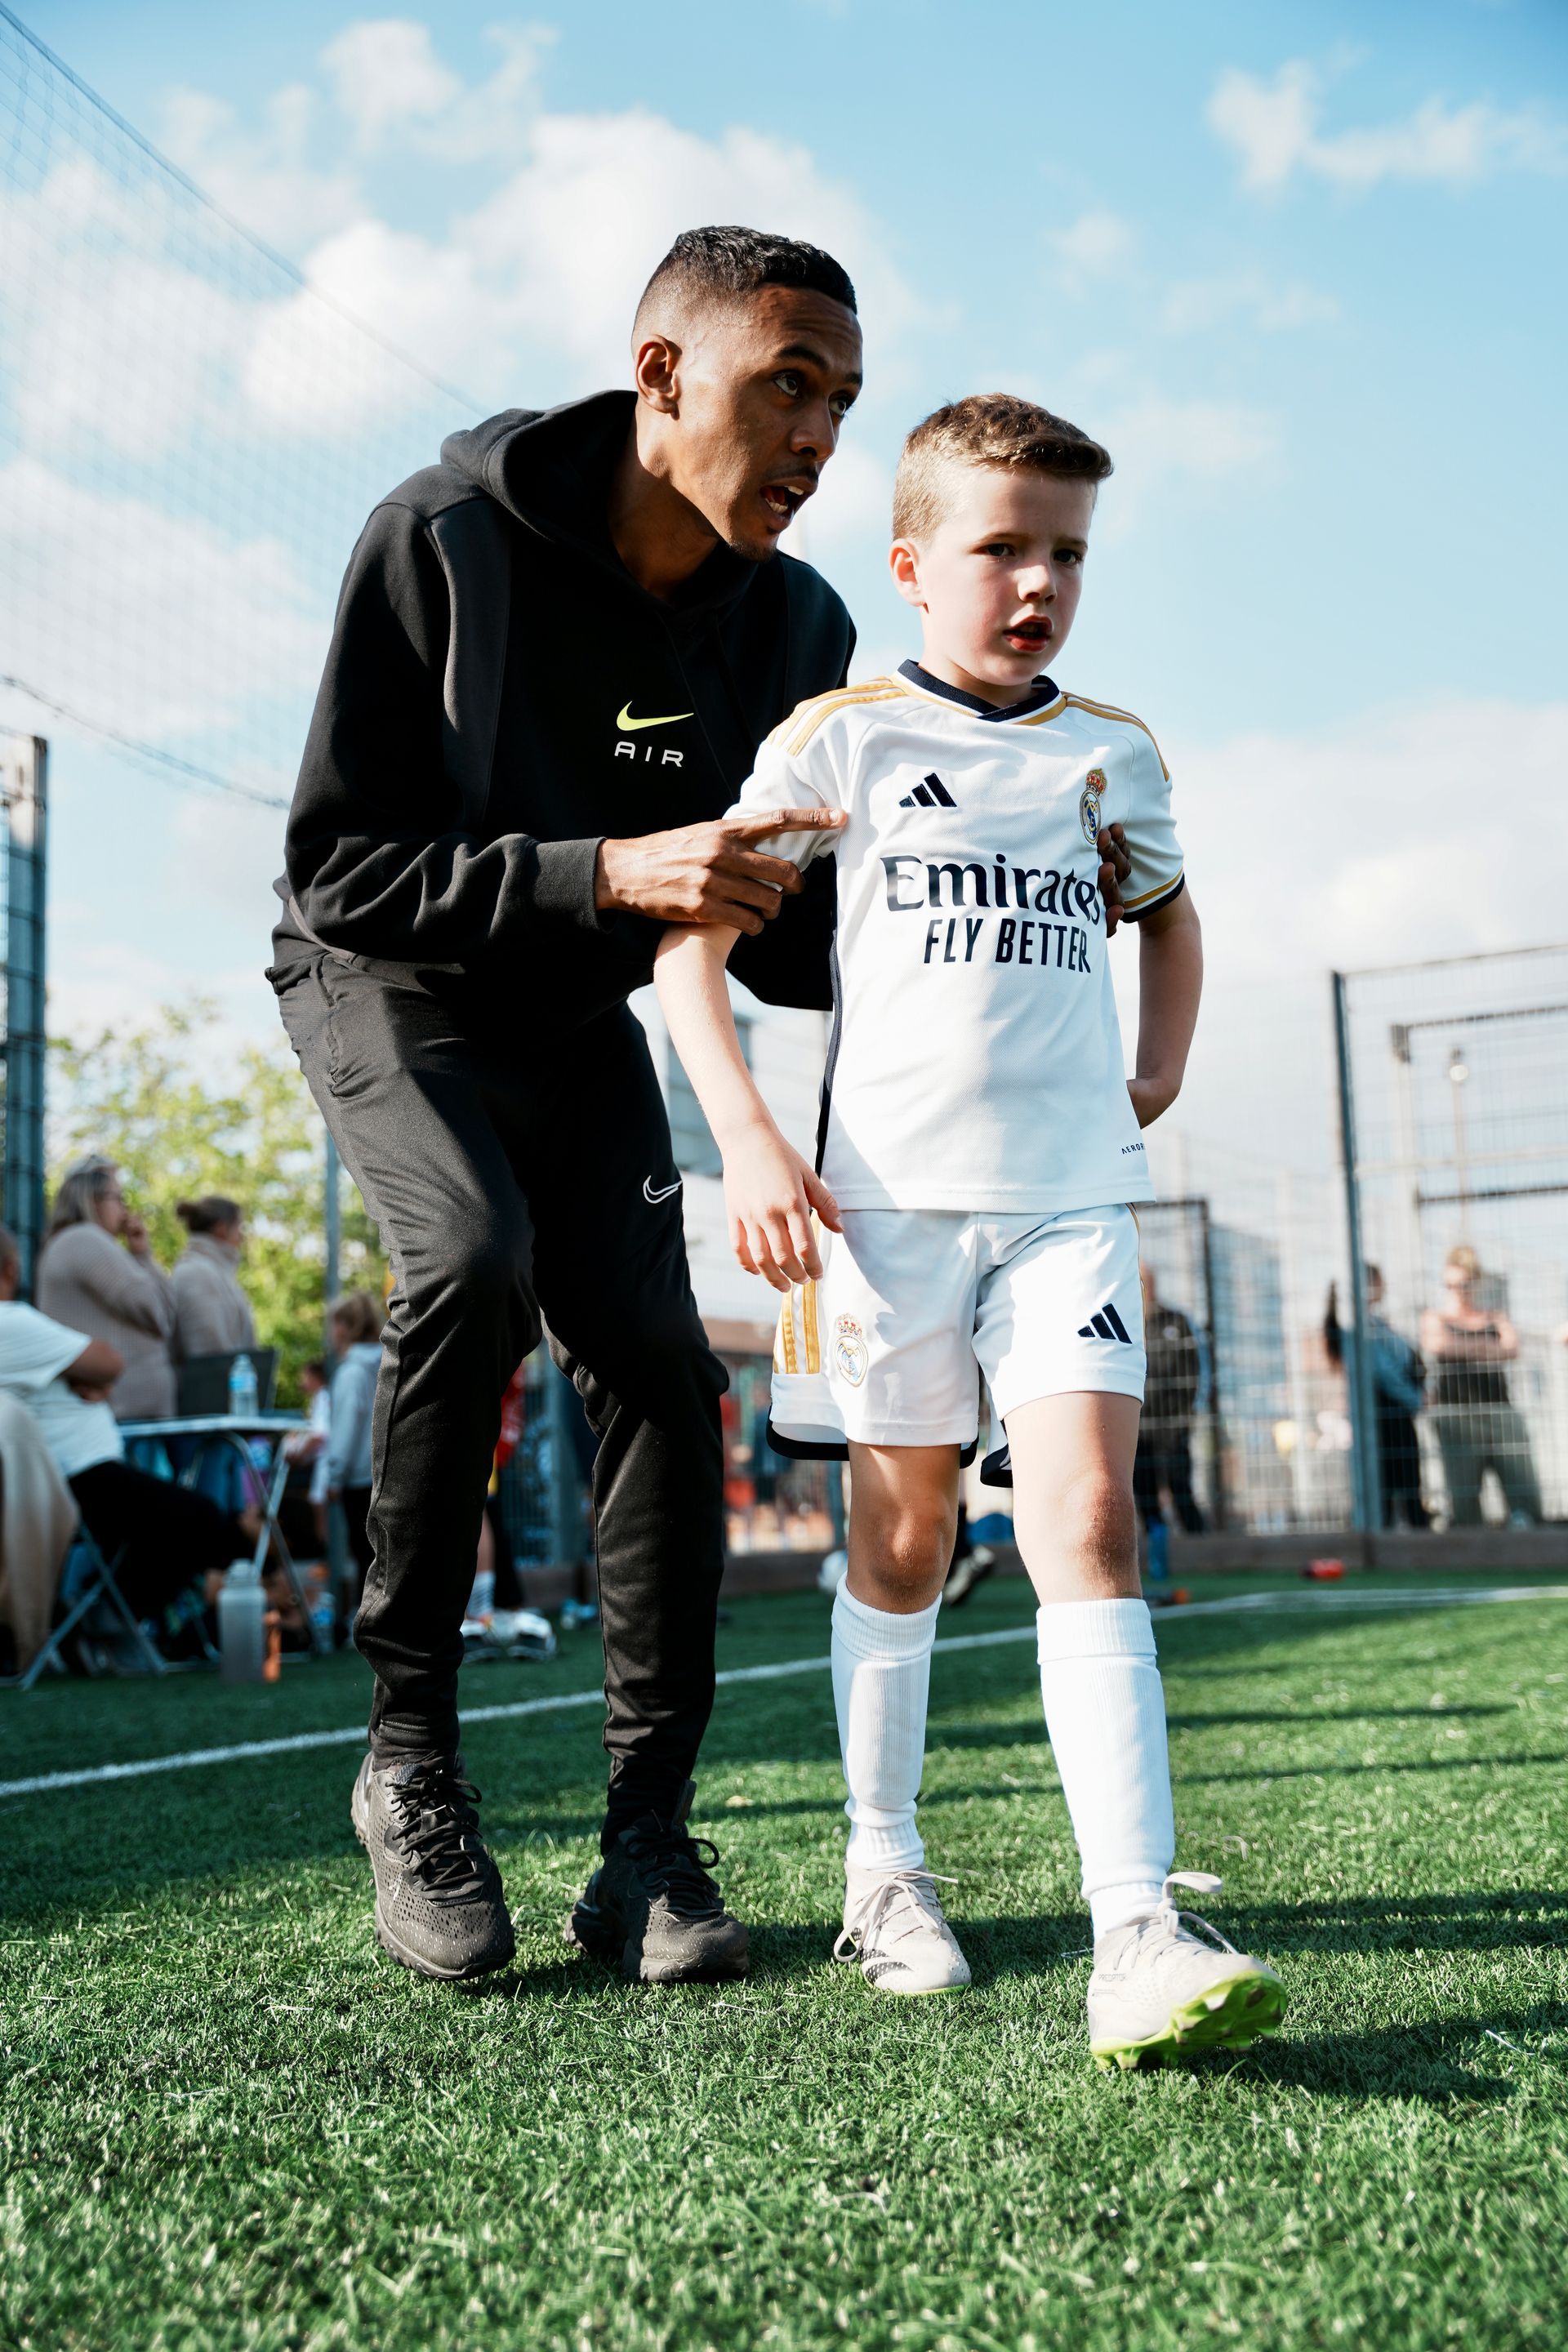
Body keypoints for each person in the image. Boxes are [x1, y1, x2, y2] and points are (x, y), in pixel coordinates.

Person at [271, 225, 1131, 1989]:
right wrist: (604, 870)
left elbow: (789, 942)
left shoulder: (800, 627)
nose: (819, 436)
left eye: (844, 402)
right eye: (787, 385)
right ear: (662, 374)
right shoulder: (441, 541)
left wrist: (999, 889)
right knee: (473, 1267)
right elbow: (341, 868)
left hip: (582, 1007)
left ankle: (645, 1843)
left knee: (663, 1364)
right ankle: (409, 1758)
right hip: (394, 982)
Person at [655, 391, 1285, 2067]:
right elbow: (688, 949)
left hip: (1070, 1203)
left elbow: (1172, 919)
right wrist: (753, 1141)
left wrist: (1159, 1067)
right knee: (907, 1541)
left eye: (1067, 553)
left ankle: (1134, 1929)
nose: (1039, 583)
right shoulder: (840, 739)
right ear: (912, 563)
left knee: (1089, 1517)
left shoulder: (1113, 751)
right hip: (884, 1215)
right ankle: (883, 1872)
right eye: (1003, 548)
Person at [0, 1223, 260, 1623]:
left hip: (56, 1477)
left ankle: (99, 1617)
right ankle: (100, 1623)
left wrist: (78, 1372)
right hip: (77, 1476)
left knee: (187, 1524)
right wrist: (93, 1376)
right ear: (12, 1268)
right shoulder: (11, 1321)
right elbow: (109, 1362)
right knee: (204, 1522)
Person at [37, 1158, 176, 1421]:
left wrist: (141, 1255)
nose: (125, 1211)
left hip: (120, 1415)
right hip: (121, 1417)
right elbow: (156, 1311)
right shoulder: (85, 1239)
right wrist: (143, 1258)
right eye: (119, 1198)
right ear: (93, 1200)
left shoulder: (73, 1241)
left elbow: (162, 1312)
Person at [1420, 1245, 1540, 1526]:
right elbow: (1438, 1345)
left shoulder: (1495, 1316)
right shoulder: (1436, 1317)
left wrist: (1462, 1347)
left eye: (1462, 1285)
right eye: (1449, 1285)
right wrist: (1486, 1347)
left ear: (1475, 1283)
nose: (1456, 1292)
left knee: (1524, 1493)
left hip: (1499, 1411)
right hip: (1457, 1417)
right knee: (1464, 1502)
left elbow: (1511, 1348)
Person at [1323, 1267, 1428, 1529]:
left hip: (1389, 1415)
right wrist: (1416, 1399)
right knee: (1395, 1490)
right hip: (1387, 1416)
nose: (1385, 1287)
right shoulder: (1362, 1328)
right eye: (1381, 1281)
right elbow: (1384, 1372)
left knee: (1393, 1491)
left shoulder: (1374, 1325)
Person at [1134, 1263, 1205, 1581]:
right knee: (1144, 1493)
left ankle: (1201, 1549)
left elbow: (1193, 1373)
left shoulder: (1175, 1321)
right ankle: (1156, 1555)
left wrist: (1183, 1420)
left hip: (1172, 1427)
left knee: (1181, 1489)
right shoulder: (1123, 1322)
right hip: (1137, 1430)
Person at [323, 1293, 384, 1603]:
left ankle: (367, 1619)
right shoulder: (388, 1362)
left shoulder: (350, 1372)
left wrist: (334, 1476)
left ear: (344, 1328)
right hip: (387, 1472)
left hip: (359, 1477)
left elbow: (346, 1429)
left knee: (364, 1556)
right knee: (384, 1556)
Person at [170, 1196, 256, 1361]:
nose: (242, 1237)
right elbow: (209, 1353)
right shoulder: (196, 1274)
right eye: (239, 1228)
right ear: (221, 1229)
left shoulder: (214, 1272)